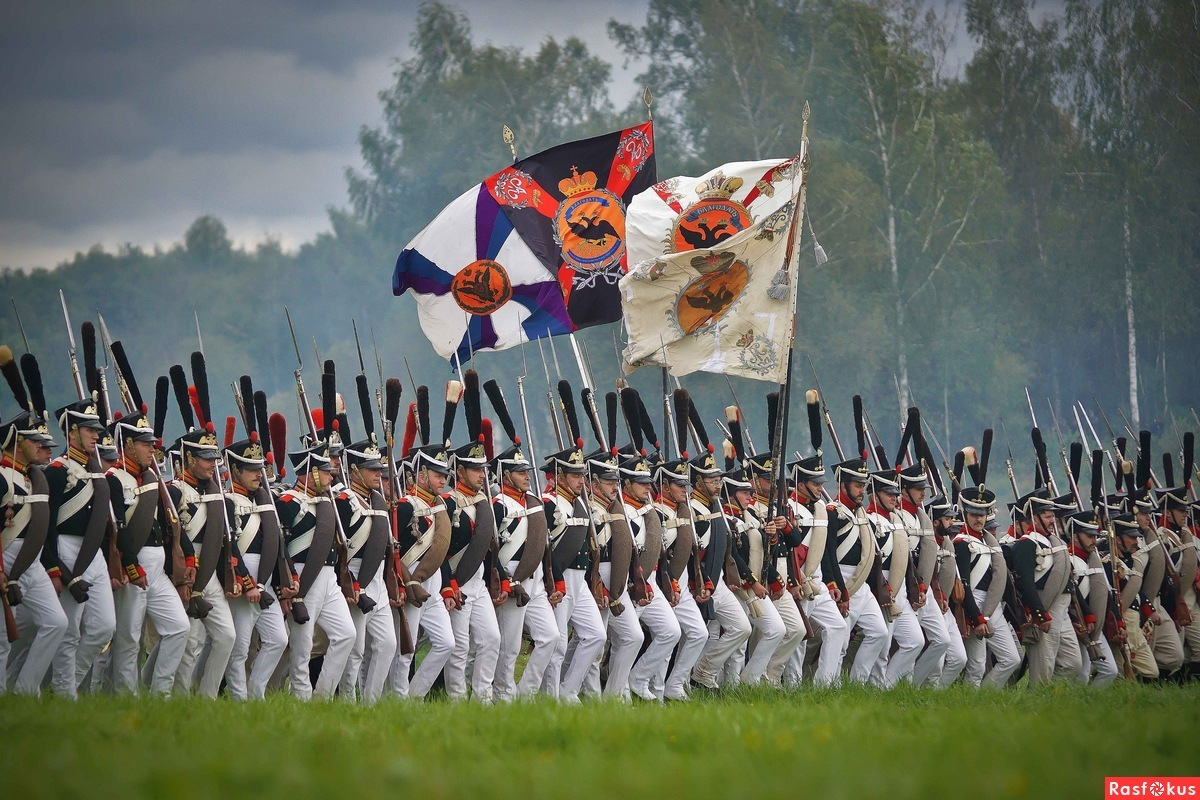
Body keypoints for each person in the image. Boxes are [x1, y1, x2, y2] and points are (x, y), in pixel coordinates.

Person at [106, 412, 189, 695]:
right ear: (127, 444)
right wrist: (131, 566)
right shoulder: (113, 479)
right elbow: (116, 532)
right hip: (135, 565)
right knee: (129, 638)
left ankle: (159, 693)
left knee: (179, 628)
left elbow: (170, 523)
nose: (152, 448)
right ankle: (126, 697)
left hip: (157, 567)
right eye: (145, 443)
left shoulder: (151, 478)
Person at [44, 398, 116, 698]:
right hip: (66, 548)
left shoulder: (96, 470)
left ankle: (69, 681)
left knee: (104, 627)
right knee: (70, 630)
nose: (96, 436)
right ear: (72, 432)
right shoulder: (57, 471)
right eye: (89, 430)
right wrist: (55, 565)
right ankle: (63, 692)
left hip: (93, 553)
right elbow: (46, 527)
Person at [277, 439, 354, 700]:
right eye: (324, 471)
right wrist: (287, 583)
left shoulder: (325, 501)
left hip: (328, 577)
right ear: (310, 473)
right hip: (303, 574)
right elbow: (280, 548)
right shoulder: (287, 502)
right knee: (302, 645)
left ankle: (322, 695)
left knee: (347, 634)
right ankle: (301, 697)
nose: (330, 476)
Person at [0, 405, 67, 695]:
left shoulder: (31, 477)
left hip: (32, 559)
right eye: (33, 440)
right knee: (2, 639)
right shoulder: (2, 477)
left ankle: (25, 690)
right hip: (5, 556)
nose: (41, 445)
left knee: (56, 622)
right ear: (16, 441)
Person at [224, 434, 291, 700]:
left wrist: (287, 578)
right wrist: (246, 581)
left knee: (278, 639)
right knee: (239, 646)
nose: (257, 474)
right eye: (251, 469)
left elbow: (275, 545)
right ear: (235, 471)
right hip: (242, 579)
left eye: (259, 469)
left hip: (264, 580)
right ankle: (239, 698)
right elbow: (229, 547)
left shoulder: (264, 500)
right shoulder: (227, 500)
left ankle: (256, 691)